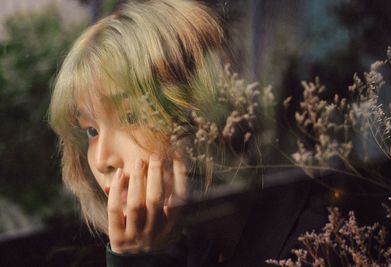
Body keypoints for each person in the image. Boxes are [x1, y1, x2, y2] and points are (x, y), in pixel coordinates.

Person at [49, 0, 350, 266]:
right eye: (91, 130)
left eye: (130, 116)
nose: (103, 160)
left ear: (200, 110)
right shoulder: (193, 246)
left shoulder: (316, 244)